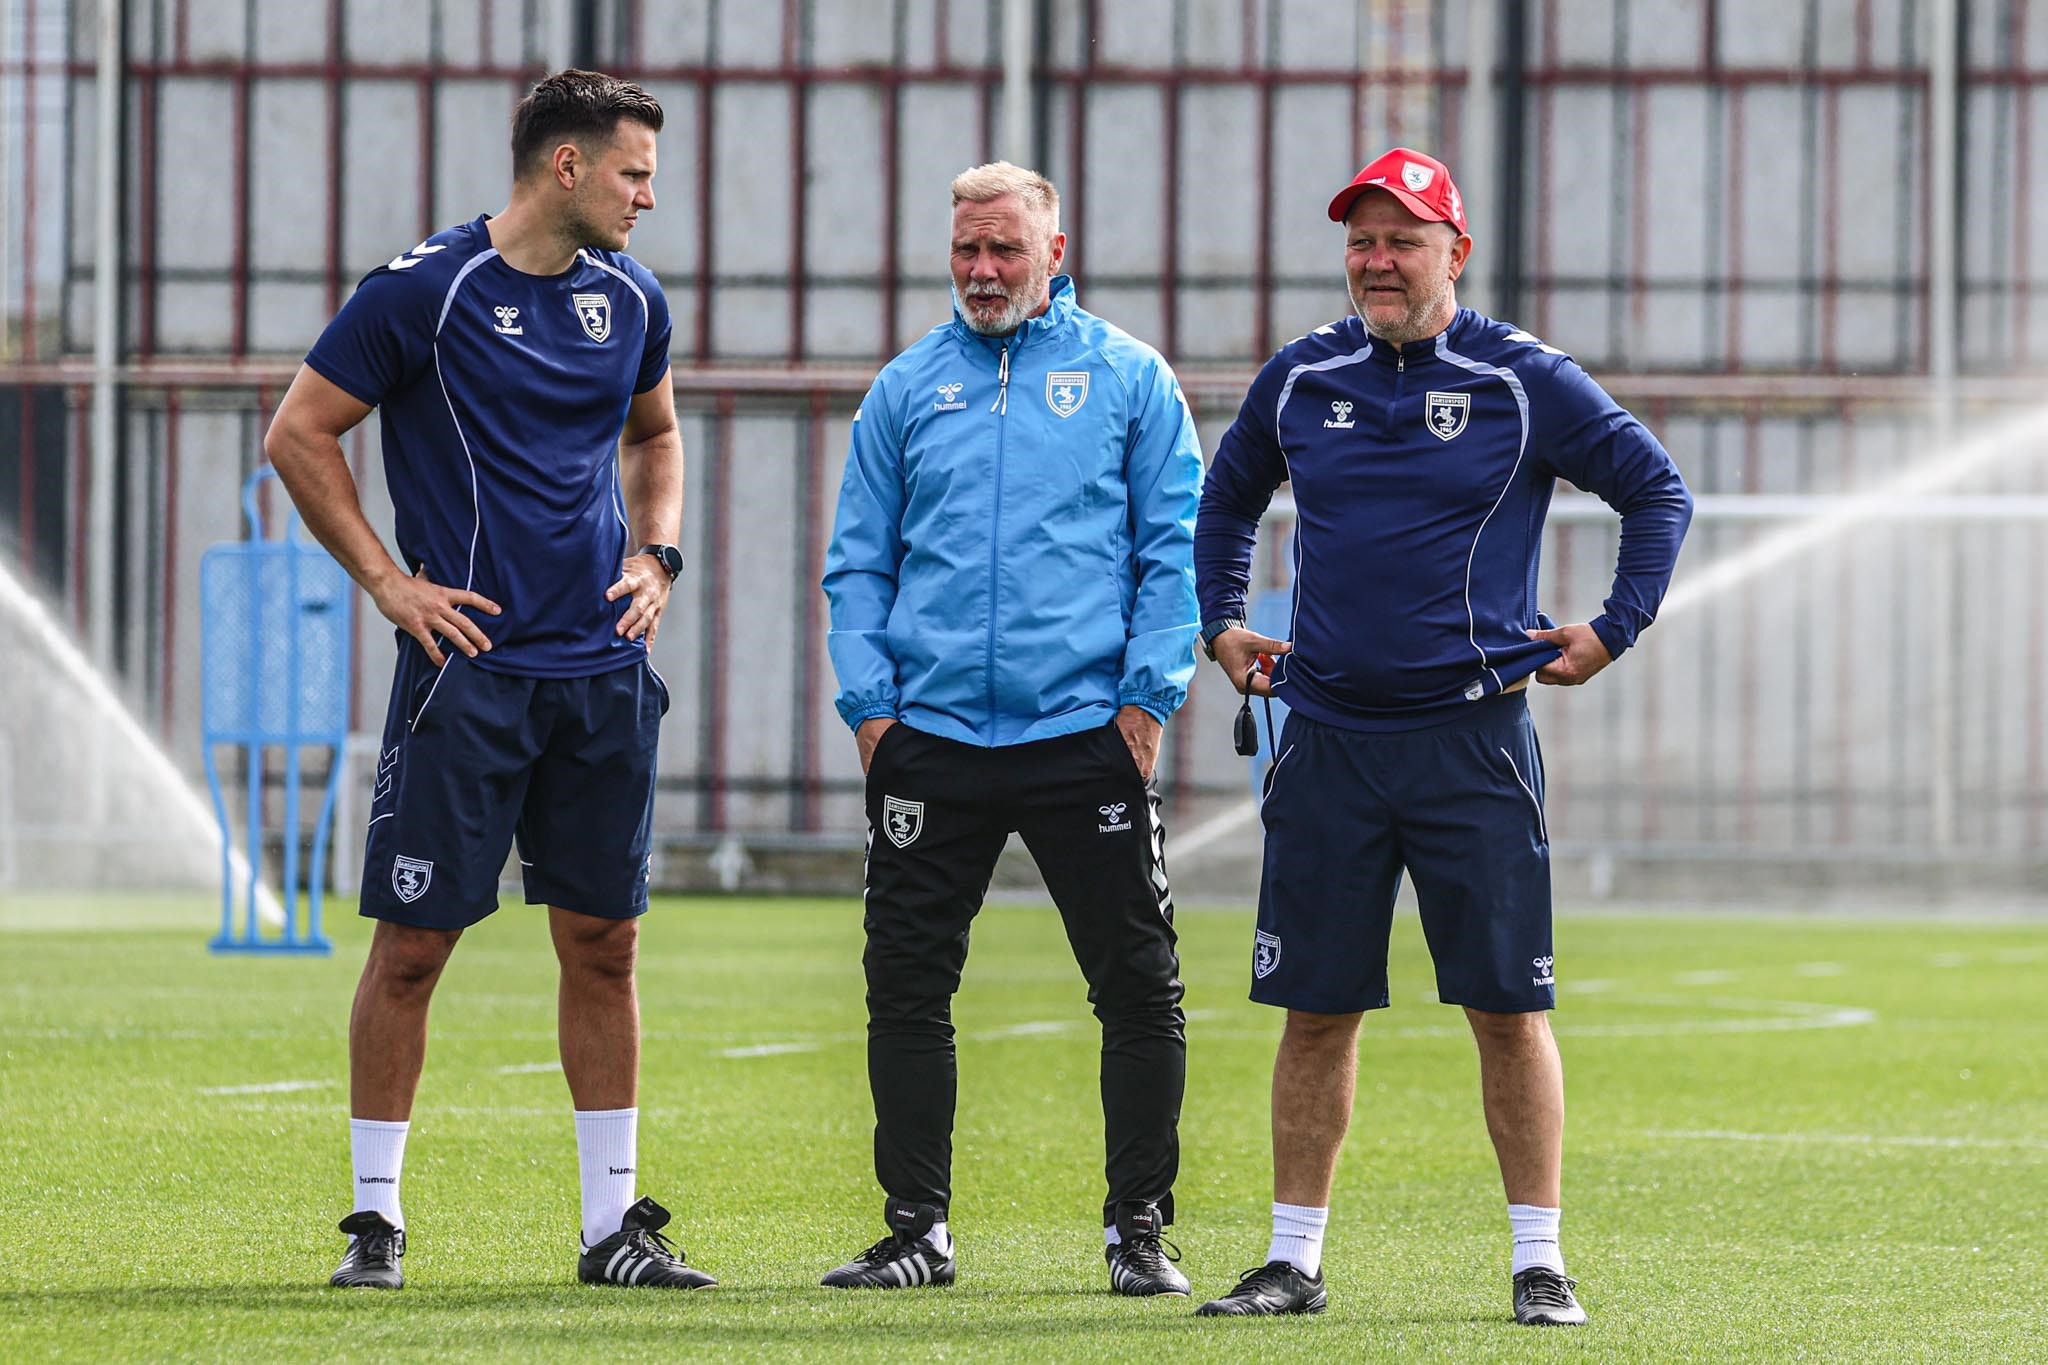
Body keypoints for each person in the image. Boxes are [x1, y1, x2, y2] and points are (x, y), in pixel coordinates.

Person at [1189, 147, 1693, 1324]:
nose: (1377, 261)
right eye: (1360, 240)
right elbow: (1222, 502)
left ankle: (1537, 1263)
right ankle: (1291, 1262)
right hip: (1323, 742)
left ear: (1452, 252)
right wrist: (1219, 622)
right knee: (1314, 1009)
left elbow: (1655, 492)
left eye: (1402, 240)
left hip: (1472, 748)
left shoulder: (1521, 380)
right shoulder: (1300, 376)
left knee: (1506, 1010)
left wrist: (1612, 629)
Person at [264, 70, 713, 1292]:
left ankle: (612, 1230)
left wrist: (657, 556)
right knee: (413, 948)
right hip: (466, 677)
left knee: (605, 945)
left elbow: (656, 435)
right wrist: (387, 584)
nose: (647, 197)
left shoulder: (632, 297)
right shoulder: (424, 290)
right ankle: (374, 1224)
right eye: (632, 173)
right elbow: (299, 433)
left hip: (602, 675)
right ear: (565, 166)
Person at [820, 161, 1204, 1296]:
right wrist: (872, 711)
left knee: (1137, 988)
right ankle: (916, 1232)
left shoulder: (1128, 377)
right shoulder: (906, 387)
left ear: (1053, 251)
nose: (982, 270)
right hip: (929, 738)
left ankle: (1137, 1229)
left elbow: (1172, 552)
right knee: (905, 987)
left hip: (1085, 731)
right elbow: (857, 563)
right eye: (966, 250)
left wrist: (1145, 703)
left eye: (1004, 249)